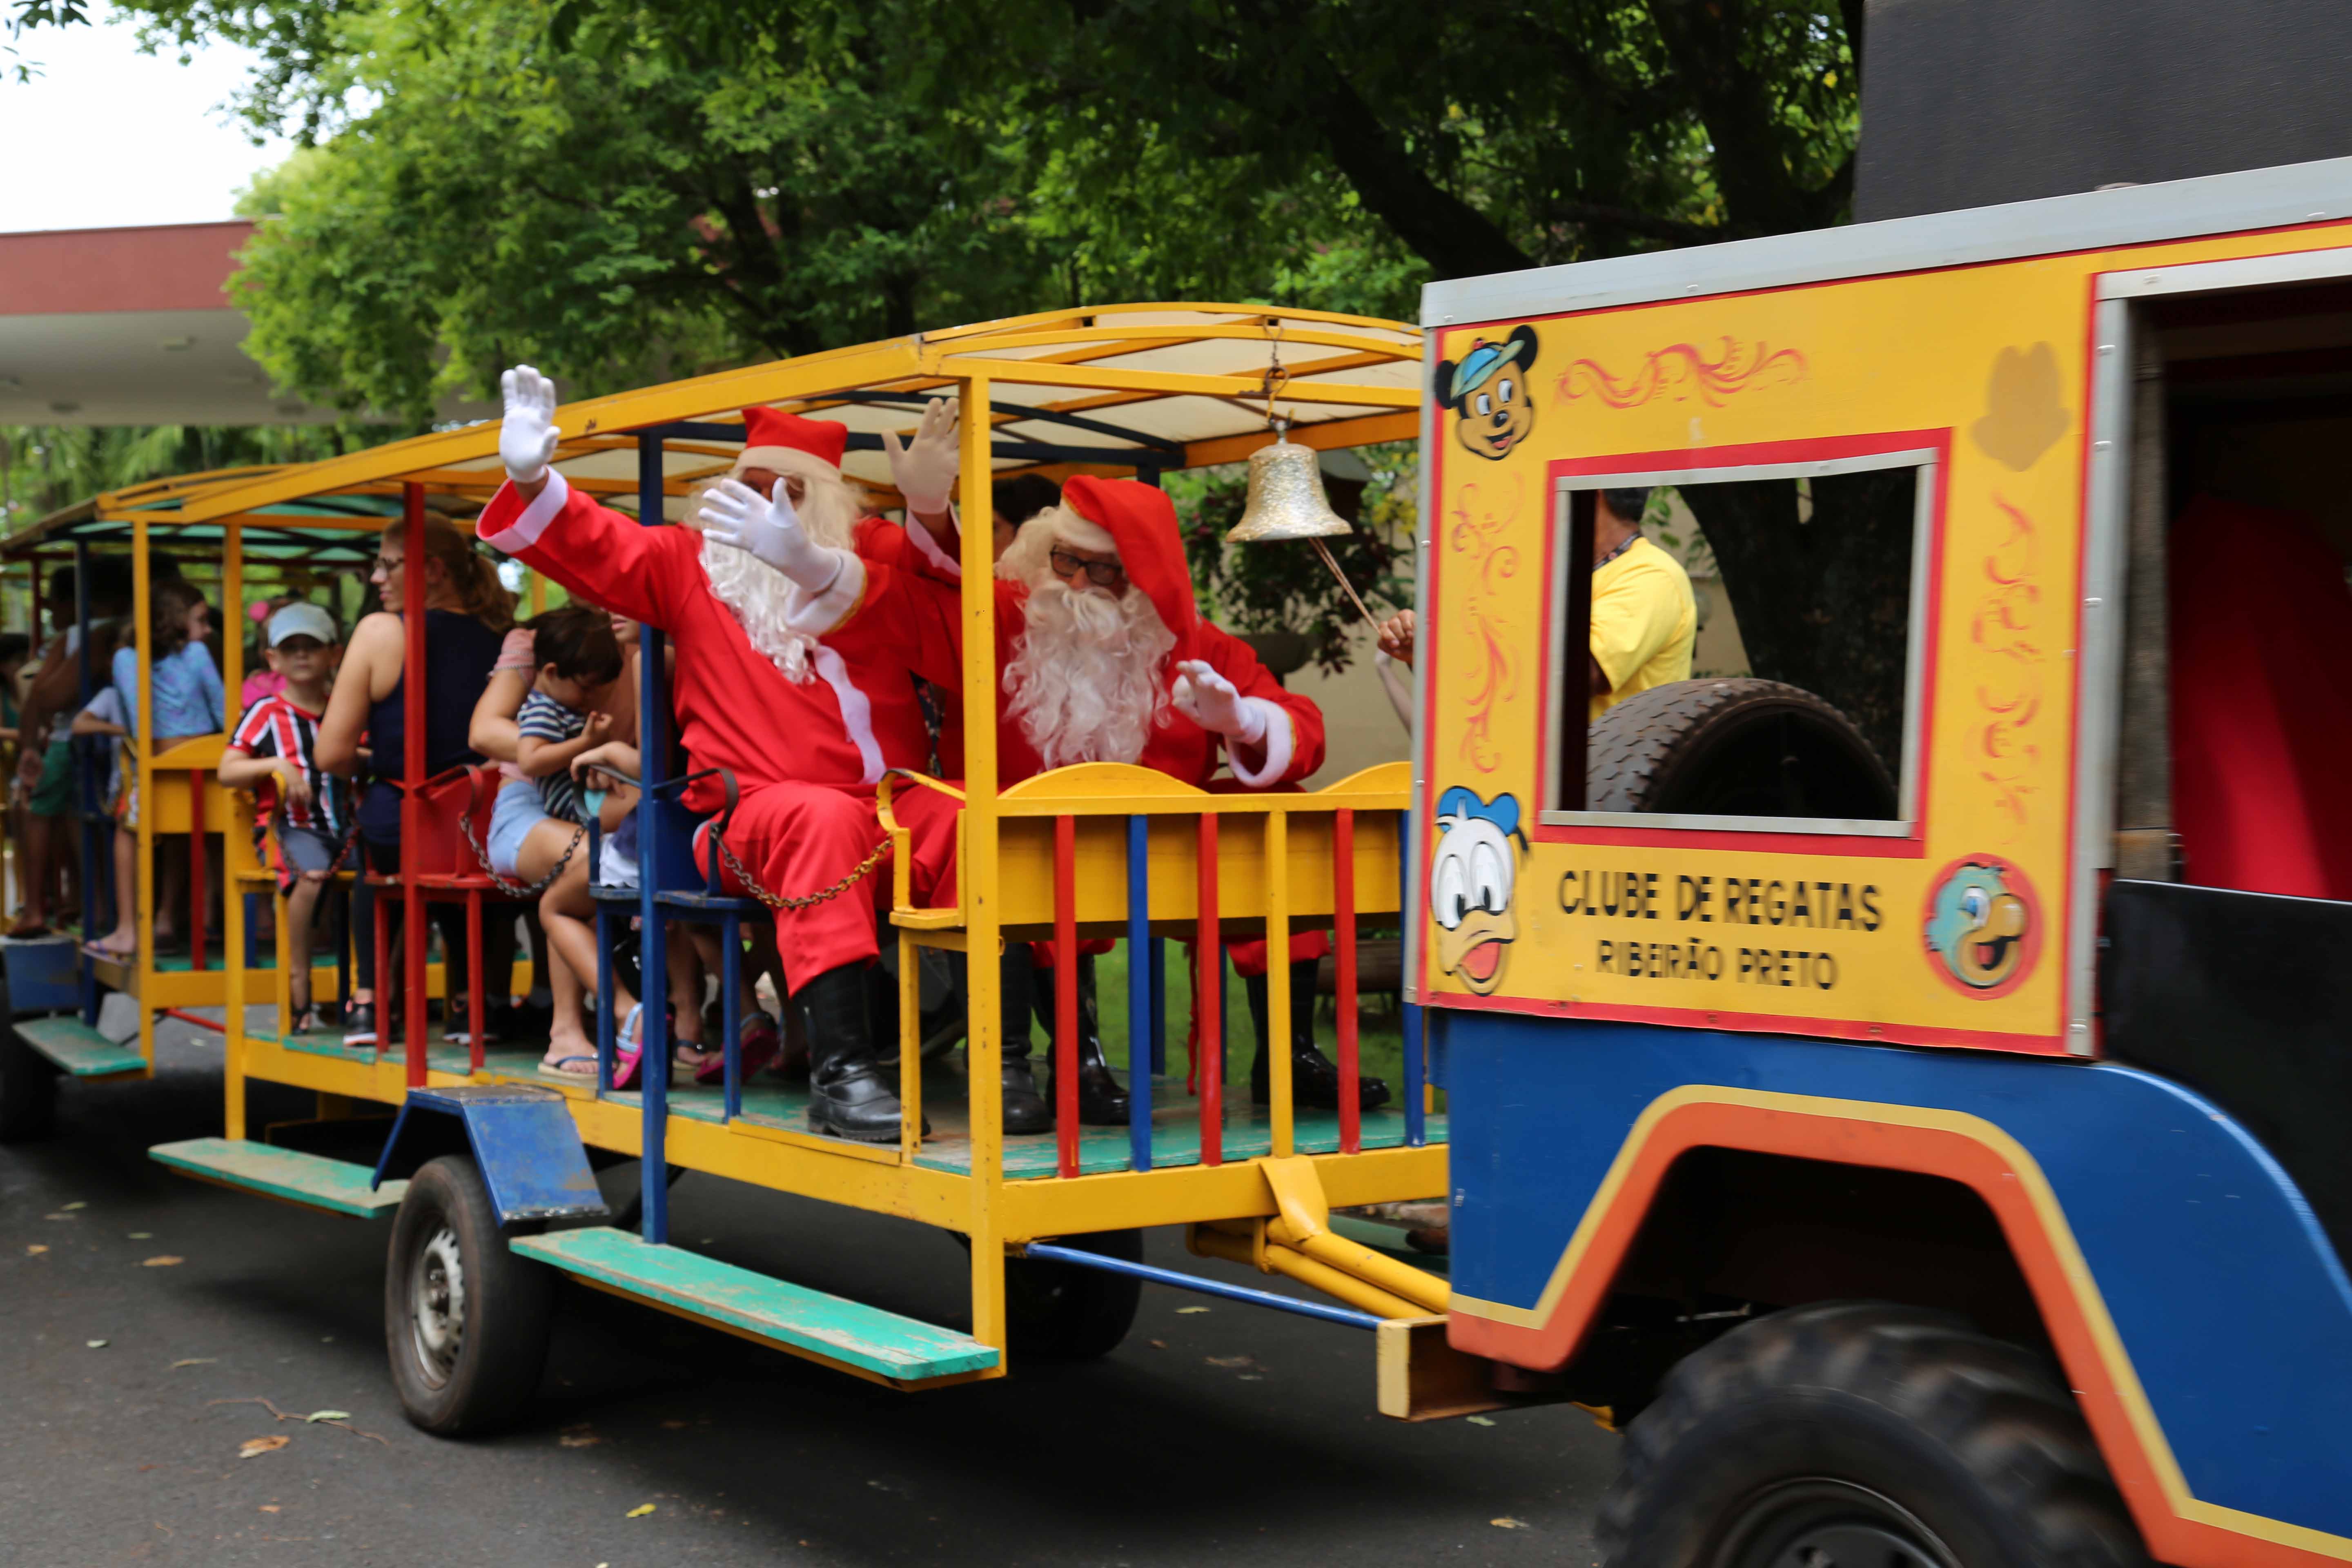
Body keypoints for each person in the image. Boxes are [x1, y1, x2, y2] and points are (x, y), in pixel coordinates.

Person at [479, 370, 962, 1141]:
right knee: (821, 818)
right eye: (752, 487)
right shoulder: (692, 564)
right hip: (750, 816)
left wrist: (933, 512)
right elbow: (602, 546)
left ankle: (1022, 1064)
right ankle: (844, 1073)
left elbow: (961, 615)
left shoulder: (867, 564)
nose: (768, 508)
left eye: (791, 493)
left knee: (980, 821)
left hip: (888, 806)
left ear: (831, 506)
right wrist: (534, 480)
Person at [314, 511, 512, 1047]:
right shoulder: (505, 636)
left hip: (402, 824)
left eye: (389, 565)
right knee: (455, 846)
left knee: (387, 837)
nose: (377, 578)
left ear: (435, 571)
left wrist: (375, 761)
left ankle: (368, 1001)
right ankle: (476, 1001)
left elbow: (330, 753)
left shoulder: (383, 632)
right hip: (483, 827)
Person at [1377, 486, 1693, 721]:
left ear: (1588, 497)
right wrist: (1429, 655)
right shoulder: (1550, 575)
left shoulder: (1653, 576)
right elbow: (1495, 683)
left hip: (1606, 795)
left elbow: (1575, 674)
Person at [218, 604, 353, 1033]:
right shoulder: (266, 712)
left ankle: (369, 990)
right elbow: (228, 770)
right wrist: (276, 764)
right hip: (292, 827)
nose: (301, 656)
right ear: (273, 659)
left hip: (347, 828)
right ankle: (299, 985)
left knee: (385, 874)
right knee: (312, 876)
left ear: (333, 654)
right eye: (290, 648)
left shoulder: (344, 709)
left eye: (311, 647)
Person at [100, 579, 225, 955]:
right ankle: (167, 919)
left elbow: (141, 723)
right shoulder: (197, 655)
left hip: (157, 760)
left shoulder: (128, 657)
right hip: (202, 760)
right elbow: (222, 711)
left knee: (128, 828)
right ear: (174, 618)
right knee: (181, 834)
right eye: (200, 620)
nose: (207, 630)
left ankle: (129, 927)